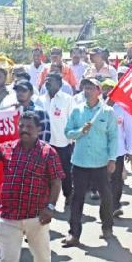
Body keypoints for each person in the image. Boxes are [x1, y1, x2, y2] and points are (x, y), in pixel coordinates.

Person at [0, 111, 64, 262]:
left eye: (29, 126)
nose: (24, 129)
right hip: (9, 218)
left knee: (43, 258)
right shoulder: (7, 148)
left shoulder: (48, 152)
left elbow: (56, 182)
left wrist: (51, 207)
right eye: (21, 126)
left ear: (39, 129)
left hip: (37, 217)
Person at [62, 78, 118, 247]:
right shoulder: (77, 111)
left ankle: (107, 227)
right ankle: (74, 233)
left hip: (100, 163)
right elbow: (68, 133)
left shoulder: (107, 112)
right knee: (77, 198)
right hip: (80, 163)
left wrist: (112, 158)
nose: (87, 91)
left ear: (98, 91)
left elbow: (113, 137)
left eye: (90, 88)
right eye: (85, 88)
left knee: (106, 197)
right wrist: (80, 131)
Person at [35, 73, 74, 206]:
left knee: (64, 171)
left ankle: (68, 194)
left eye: (50, 81)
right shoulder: (39, 99)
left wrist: (71, 139)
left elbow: (72, 120)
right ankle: (48, 200)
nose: (47, 83)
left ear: (59, 84)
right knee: (45, 172)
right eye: (46, 81)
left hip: (62, 142)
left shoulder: (68, 99)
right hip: (44, 142)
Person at [100, 79, 132, 217]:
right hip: (101, 151)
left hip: (118, 151)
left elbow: (129, 130)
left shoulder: (123, 109)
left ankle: (115, 205)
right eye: (105, 88)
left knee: (117, 179)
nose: (108, 91)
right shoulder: (98, 108)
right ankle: (107, 204)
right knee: (104, 180)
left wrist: (130, 149)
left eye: (111, 89)